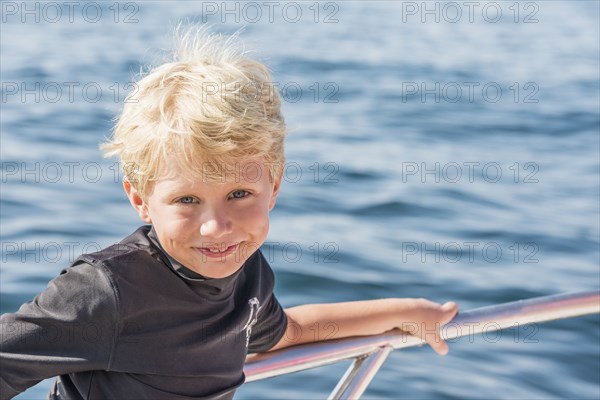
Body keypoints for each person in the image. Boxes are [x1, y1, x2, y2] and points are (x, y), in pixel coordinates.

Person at [0, 28, 458, 400]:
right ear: (140, 199)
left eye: (239, 193)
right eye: (186, 200)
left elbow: (285, 333)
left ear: (274, 185)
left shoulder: (247, 272)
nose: (217, 227)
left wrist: (407, 311)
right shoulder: (106, 291)